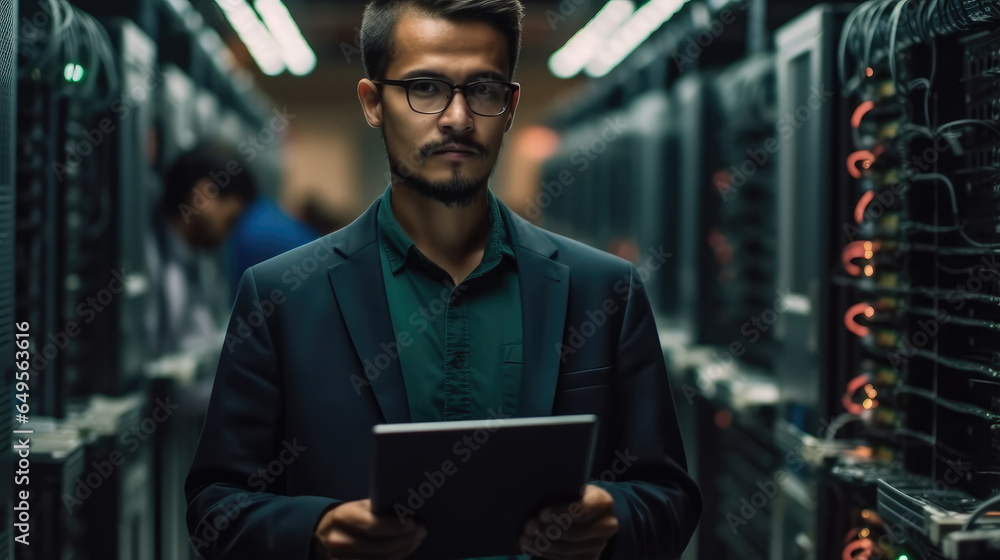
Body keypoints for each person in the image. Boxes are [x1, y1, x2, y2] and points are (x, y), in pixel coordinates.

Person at [184, 1, 701, 559]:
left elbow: (669, 499)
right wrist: (317, 530)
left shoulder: (606, 291)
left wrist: (614, 515)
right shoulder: (281, 295)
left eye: (483, 89)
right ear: (372, 103)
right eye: (425, 88)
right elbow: (215, 508)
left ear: (509, 105)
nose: (457, 117)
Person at [145, 143, 258, 356]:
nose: (229, 233)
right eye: (230, 220)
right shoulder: (147, 260)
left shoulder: (195, 259)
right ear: (204, 195)